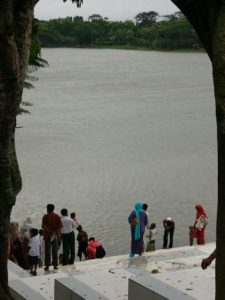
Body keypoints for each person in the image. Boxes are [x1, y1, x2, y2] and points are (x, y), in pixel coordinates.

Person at [42, 204, 62, 271]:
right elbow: (60, 226)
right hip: (54, 236)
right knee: (55, 251)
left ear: (48, 209)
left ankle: (47, 266)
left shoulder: (45, 216)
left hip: (47, 236)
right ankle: (55, 265)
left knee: (47, 251)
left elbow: (43, 226)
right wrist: (54, 231)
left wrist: (49, 231)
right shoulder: (57, 216)